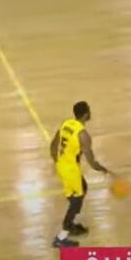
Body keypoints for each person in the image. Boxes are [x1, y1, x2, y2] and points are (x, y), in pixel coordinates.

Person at [50, 101, 111, 248]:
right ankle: (61, 236)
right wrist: (102, 168)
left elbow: (53, 144)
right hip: (71, 170)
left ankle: (70, 223)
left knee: (83, 188)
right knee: (76, 200)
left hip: (62, 165)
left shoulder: (66, 124)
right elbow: (91, 161)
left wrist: (56, 160)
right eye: (89, 110)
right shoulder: (83, 135)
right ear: (85, 114)